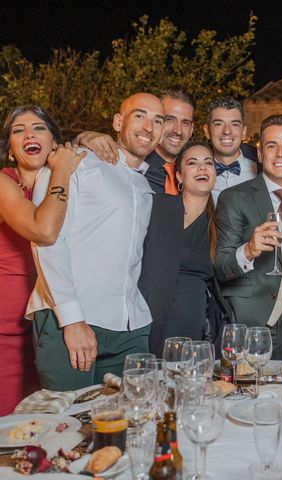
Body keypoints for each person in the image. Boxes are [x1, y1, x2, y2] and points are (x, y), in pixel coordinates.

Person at [26, 93, 163, 390]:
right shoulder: (75, 163)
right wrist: (72, 320)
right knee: (69, 427)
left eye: (158, 120)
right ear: (117, 121)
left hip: (131, 325)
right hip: (72, 319)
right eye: (140, 115)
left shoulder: (144, 183)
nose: (149, 126)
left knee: (130, 421)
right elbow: (48, 242)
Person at [0, 106, 85, 413]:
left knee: (55, 426)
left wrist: (90, 138)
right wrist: (61, 170)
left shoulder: (79, 183)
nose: (29, 135)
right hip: (8, 334)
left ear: (55, 144)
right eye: (18, 131)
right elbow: (43, 231)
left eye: (38, 128)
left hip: (55, 324)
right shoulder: (3, 183)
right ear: (10, 150)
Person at [214, 114, 282, 359]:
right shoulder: (234, 197)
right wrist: (248, 250)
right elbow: (220, 267)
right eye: (271, 146)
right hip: (248, 322)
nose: (280, 154)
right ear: (259, 153)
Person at [139, 142, 217, 357]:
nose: (202, 168)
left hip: (192, 322)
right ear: (180, 176)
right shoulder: (157, 206)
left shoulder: (221, 220)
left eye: (208, 163)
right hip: (148, 316)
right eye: (193, 163)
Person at [75, 85, 196, 195]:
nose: (178, 131)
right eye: (169, 119)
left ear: (192, 130)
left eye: (186, 123)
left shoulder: (197, 172)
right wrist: (78, 140)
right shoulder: (116, 160)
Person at [204, 96, 260, 203]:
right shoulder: (195, 173)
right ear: (207, 131)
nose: (227, 131)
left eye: (234, 124)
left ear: (243, 132)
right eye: (218, 124)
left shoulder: (262, 171)